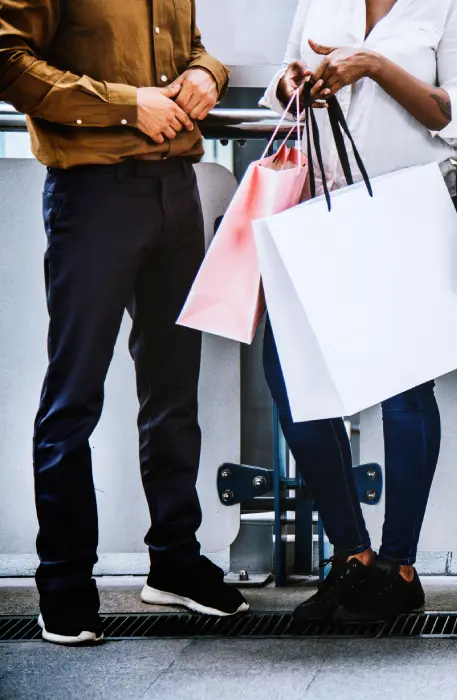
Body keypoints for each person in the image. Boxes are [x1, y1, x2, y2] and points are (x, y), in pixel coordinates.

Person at [0, 0, 249, 645]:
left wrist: (210, 75)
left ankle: (174, 561)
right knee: (73, 396)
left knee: (173, 393)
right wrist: (123, 104)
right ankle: (62, 584)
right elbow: (7, 62)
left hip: (175, 191)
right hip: (92, 195)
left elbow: (189, 49)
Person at [260, 0, 457, 623]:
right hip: (316, 209)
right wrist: (293, 84)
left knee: (405, 393)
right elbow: (287, 73)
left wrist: (373, 65)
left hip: (407, 212)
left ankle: (399, 567)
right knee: (289, 379)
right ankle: (352, 556)